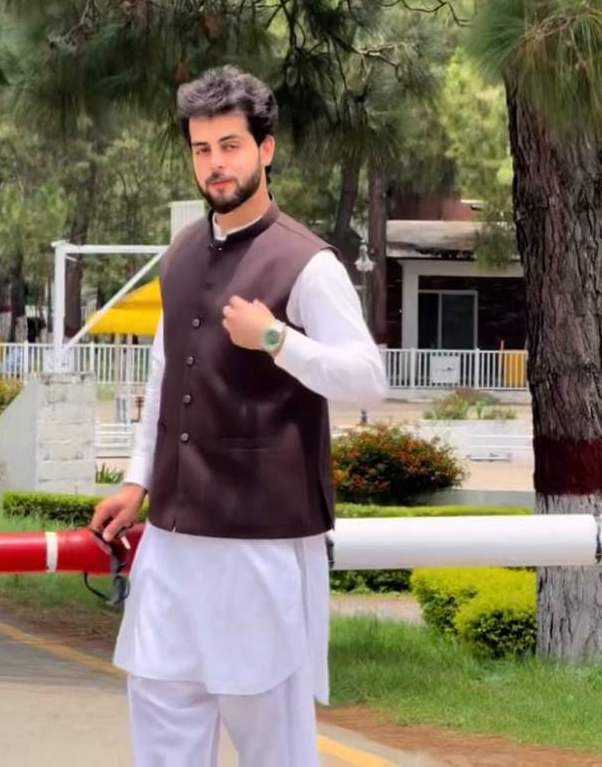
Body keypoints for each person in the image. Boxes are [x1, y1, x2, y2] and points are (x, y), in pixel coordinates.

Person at [90, 66, 387, 767]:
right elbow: (166, 375)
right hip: (172, 542)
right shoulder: (182, 254)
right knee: (159, 710)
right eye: (202, 149)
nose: (215, 163)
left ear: (266, 149)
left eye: (230, 145)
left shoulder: (308, 262)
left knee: (271, 743)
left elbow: (368, 378)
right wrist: (136, 482)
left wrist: (277, 339)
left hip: (262, 543)